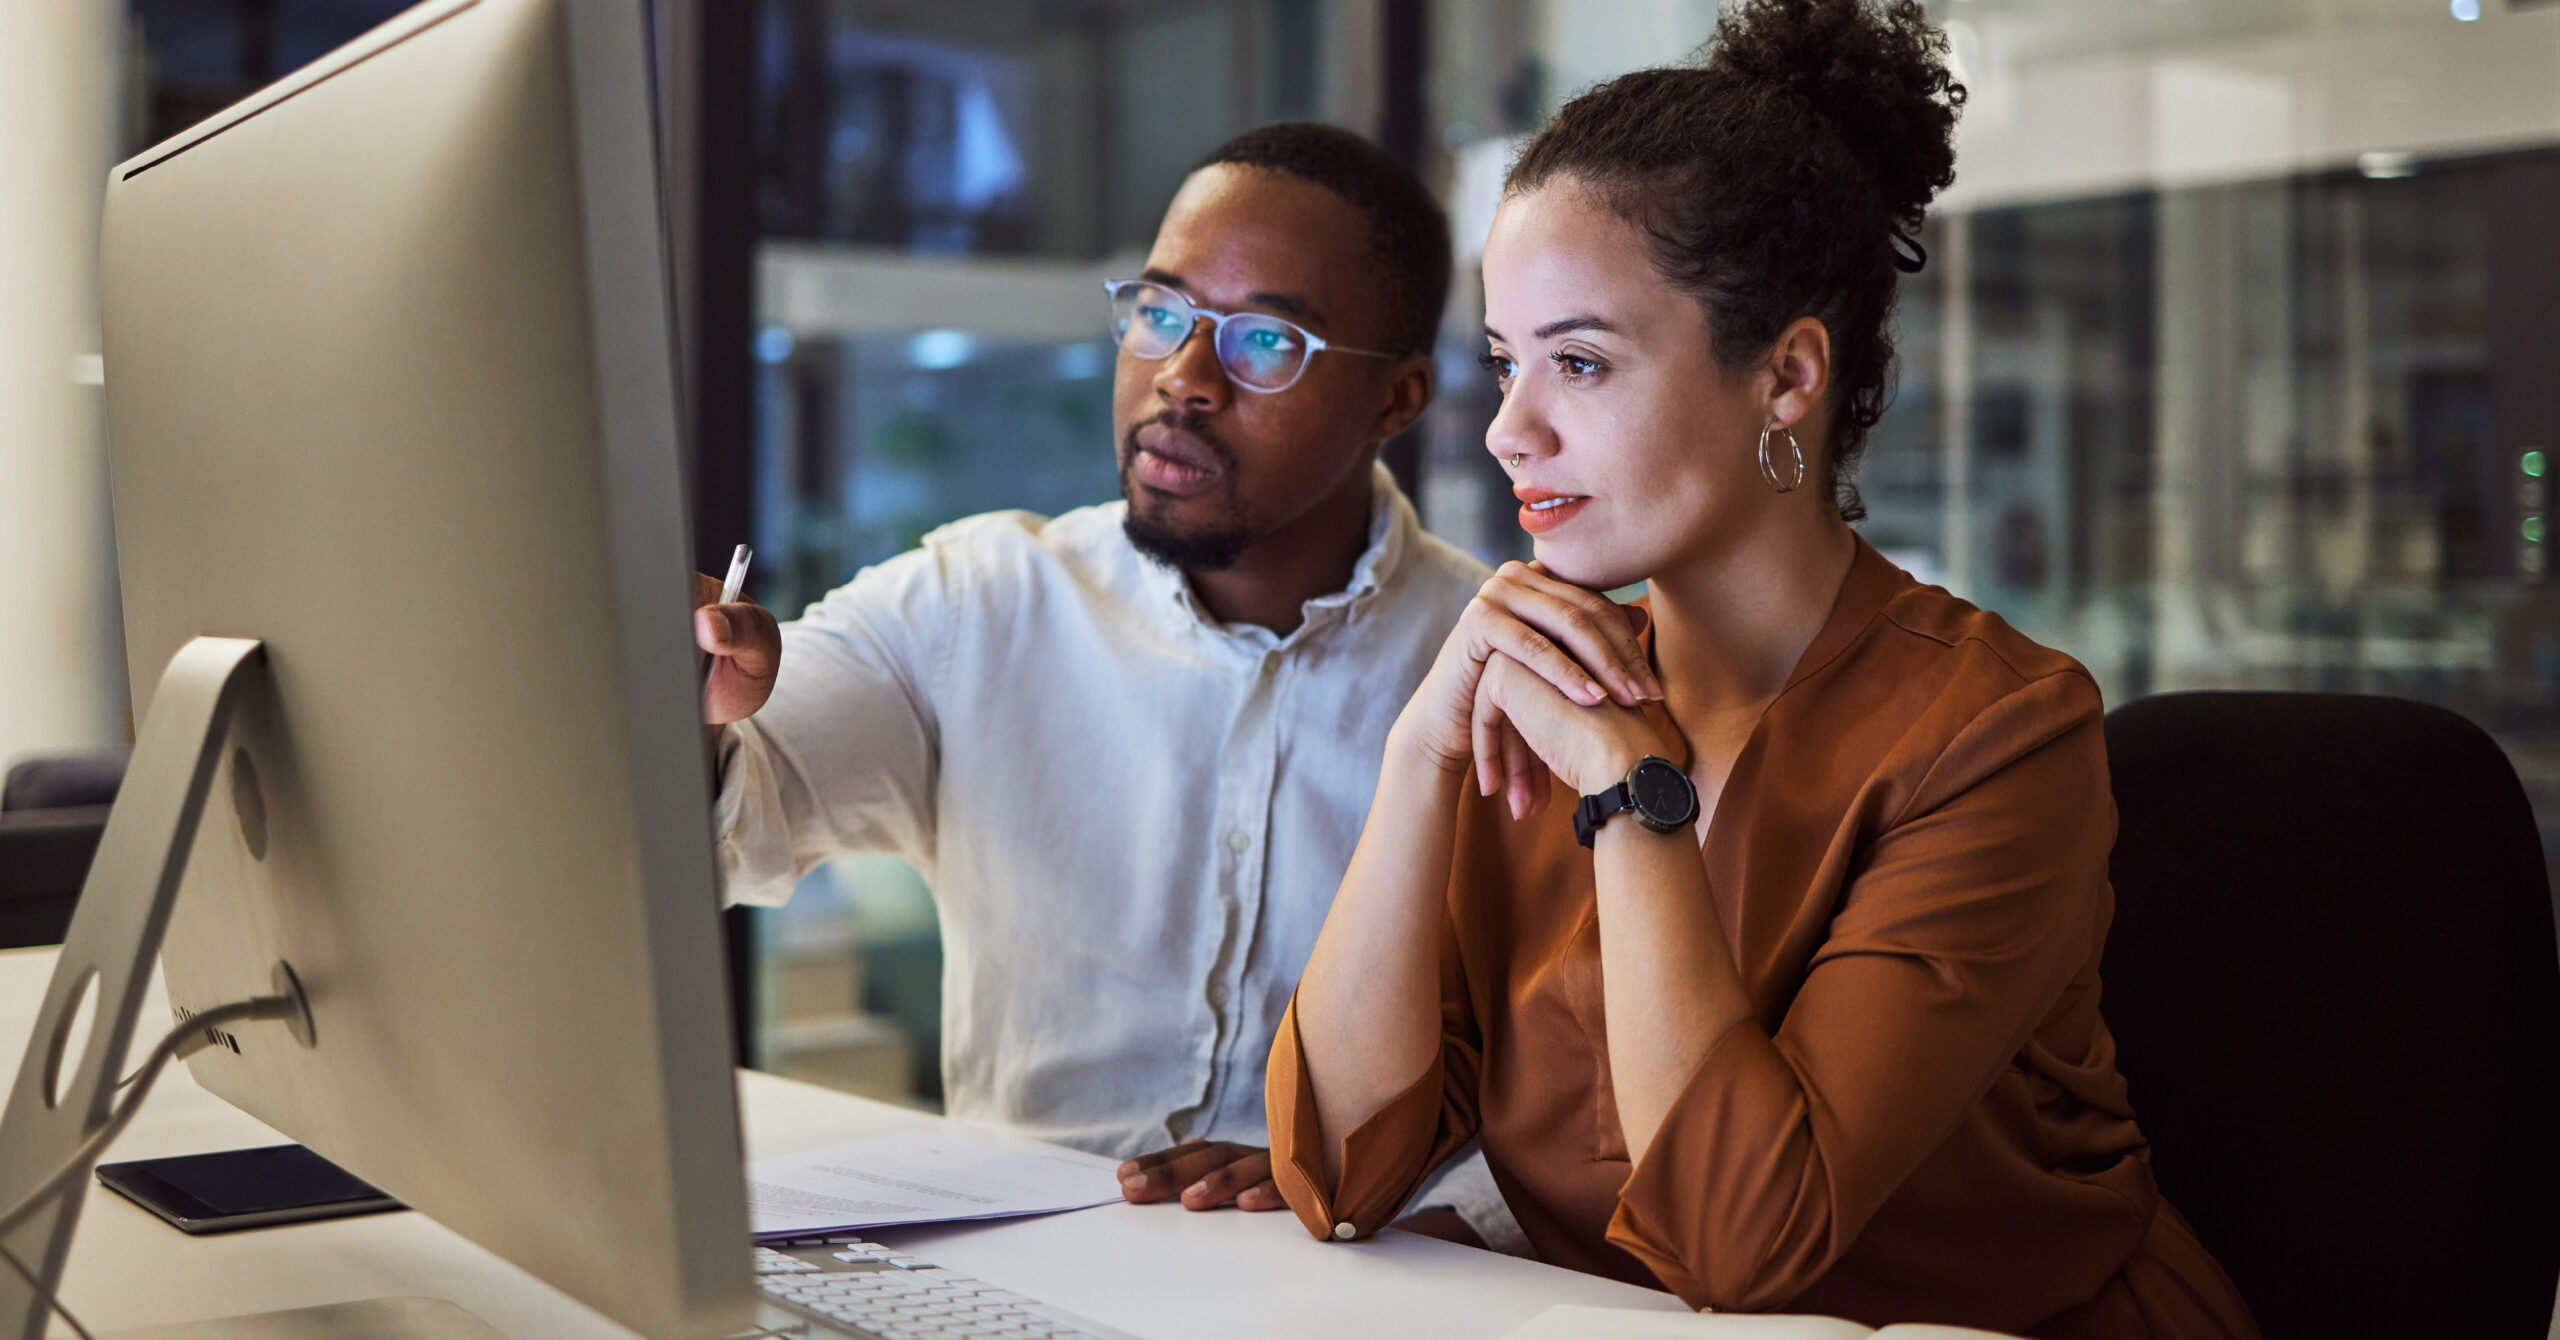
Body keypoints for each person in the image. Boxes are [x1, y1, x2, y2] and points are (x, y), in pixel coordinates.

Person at [1268, 3, 2262, 1334]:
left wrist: (1635, 799)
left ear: (1787, 374)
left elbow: (1743, 1241)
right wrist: (1417, 757)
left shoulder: (1999, 732)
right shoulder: (1543, 692)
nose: (1511, 430)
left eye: (1580, 362)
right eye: (1507, 364)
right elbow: (1338, 1173)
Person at [693, 123, 1532, 1249]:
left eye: (1266, 342)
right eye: (1161, 310)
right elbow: (733, 825)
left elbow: (1573, 1098)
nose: (1181, 377)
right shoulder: (979, 600)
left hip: (1355, 1275)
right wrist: (693, 710)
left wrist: (1392, 1188)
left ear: (1398, 400)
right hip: (1009, 1270)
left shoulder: (1500, 674)